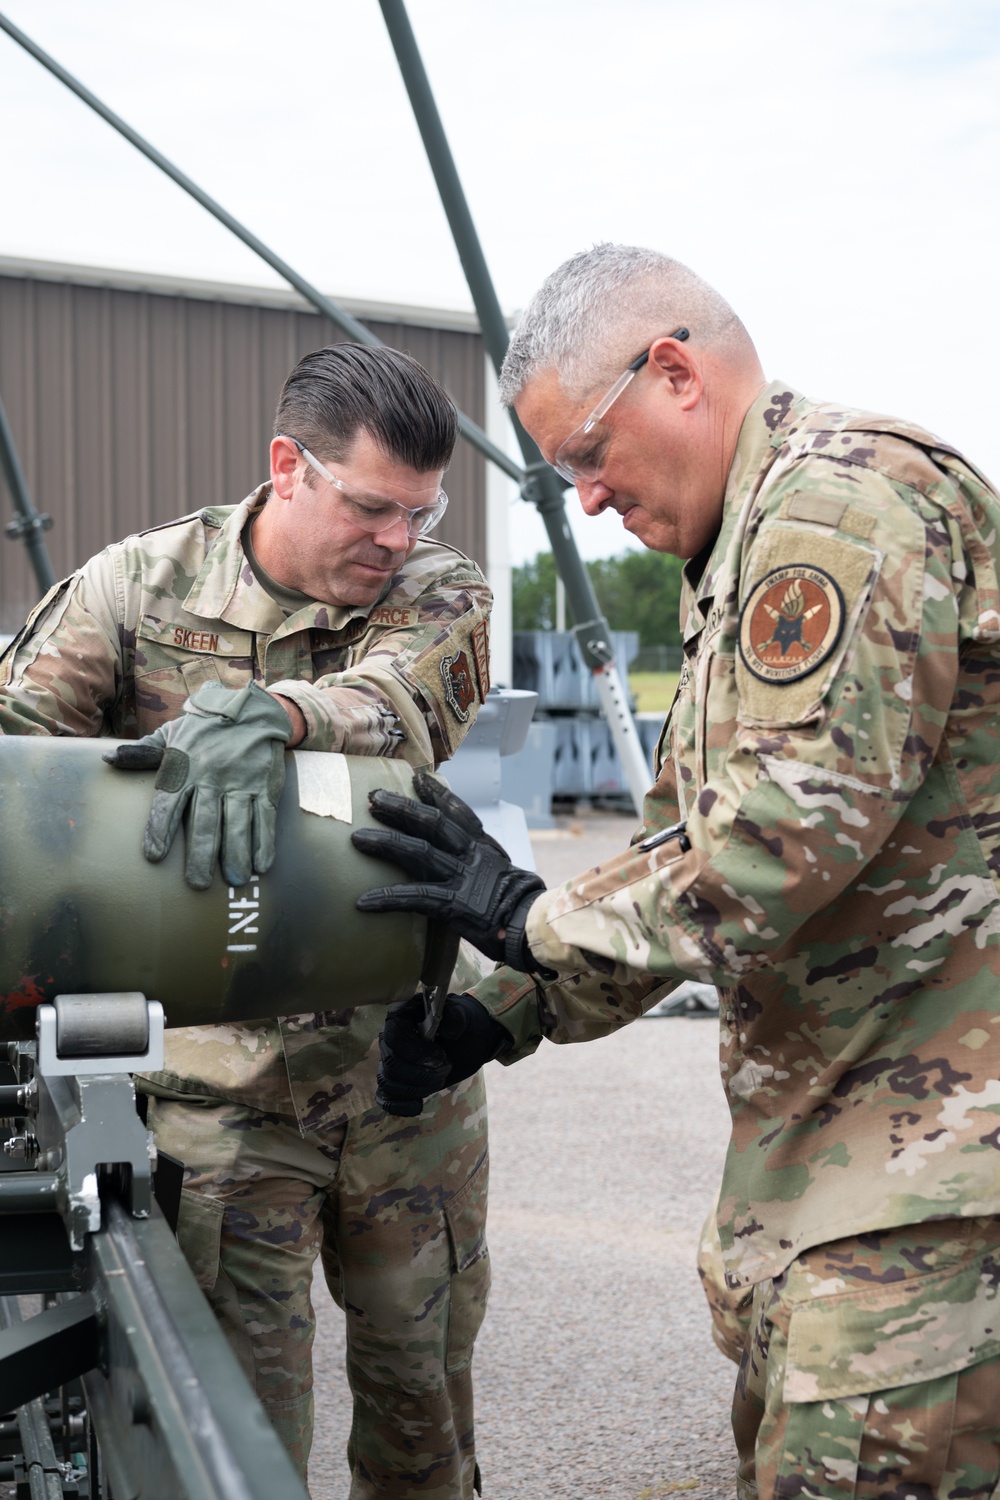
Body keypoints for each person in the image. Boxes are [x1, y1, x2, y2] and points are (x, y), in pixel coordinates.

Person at [352, 246, 1000, 1500]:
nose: (586, 500)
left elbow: (776, 847)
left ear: (674, 374)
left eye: (589, 455)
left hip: (927, 1197)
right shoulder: (741, 557)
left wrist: (529, 918)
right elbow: (677, 857)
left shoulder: (840, 505)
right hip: (834, 1177)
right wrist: (501, 1010)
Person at [0, 342, 494, 1499]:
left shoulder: (439, 587)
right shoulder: (138, 590)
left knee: (422, 1419)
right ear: (287, 467)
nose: (395, 540)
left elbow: (404, 705)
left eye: (417, 514)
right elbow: (16, 760)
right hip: (220, 1110)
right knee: (234, 1437)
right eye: (373, 508)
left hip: (401, 1081)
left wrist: (273, 711)